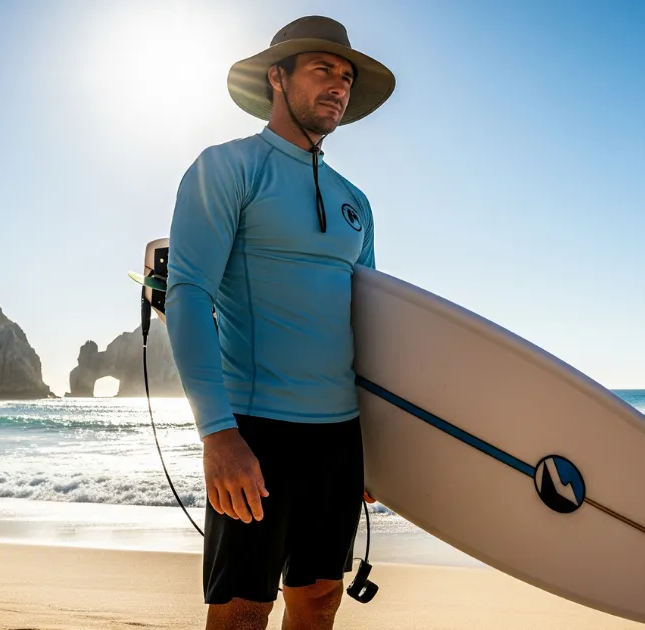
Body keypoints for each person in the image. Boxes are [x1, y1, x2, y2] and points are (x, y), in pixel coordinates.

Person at [164, 15, 394, 630]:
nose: (338, 86)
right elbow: (188, 296)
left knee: (320, 597)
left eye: (345, 76)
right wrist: (217, 433)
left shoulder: (357, 202)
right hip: (255, 429)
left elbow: (369, 323)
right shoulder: (228, 168)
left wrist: (377, 446)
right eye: (323, 70)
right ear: (276, 77)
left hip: (339, 434)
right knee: (242, 609)